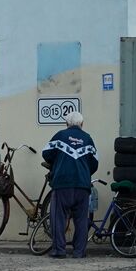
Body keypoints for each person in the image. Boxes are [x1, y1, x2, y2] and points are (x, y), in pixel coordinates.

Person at [43, 111, 99, 259]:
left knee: (58, 218)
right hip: (82, 185)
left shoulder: (60, 135)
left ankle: (59, 250)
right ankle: (79, 252)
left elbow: (46, 153)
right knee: (81, 220)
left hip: (62, 184)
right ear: (82, 124)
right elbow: (94, 164)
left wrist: (57, 161)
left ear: (67, 124)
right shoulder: (88, 139)